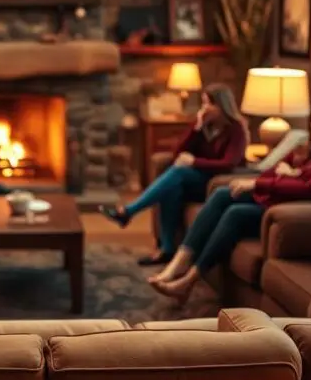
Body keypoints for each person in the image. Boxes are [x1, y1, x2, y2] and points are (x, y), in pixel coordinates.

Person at [149, 98, 311, 303]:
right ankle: (179, 263)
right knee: (223, 193)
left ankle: (188, 281)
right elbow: (271, 171)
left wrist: (271, 180)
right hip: (280, 199)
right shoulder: (309, 149)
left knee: (235, 214)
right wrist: (280, 176)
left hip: (298, 214)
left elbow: (310, 188)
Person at [101, 84, 248, 266]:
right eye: (203, 104)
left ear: (221, 106)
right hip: (196, 180)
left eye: (208, 104)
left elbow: (228, 164)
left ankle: (129, 211)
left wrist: (194, 162)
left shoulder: (236, 130)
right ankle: (167, 249)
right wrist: (197, 127)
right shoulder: (203, 126)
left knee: (178, 173)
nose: (204, 109)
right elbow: (178, 153)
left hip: (216, 184)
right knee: (171, 188)